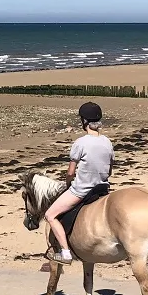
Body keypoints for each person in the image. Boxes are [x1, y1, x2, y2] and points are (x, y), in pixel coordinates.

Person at [43, 102, 114, 265]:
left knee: (50, 215)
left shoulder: (81, 143)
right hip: (102, 188)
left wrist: (69, 184)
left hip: (82, 190)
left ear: (84, 122)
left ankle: (66, 253)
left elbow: (70, 172)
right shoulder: (107, 142)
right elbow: (109, 171)